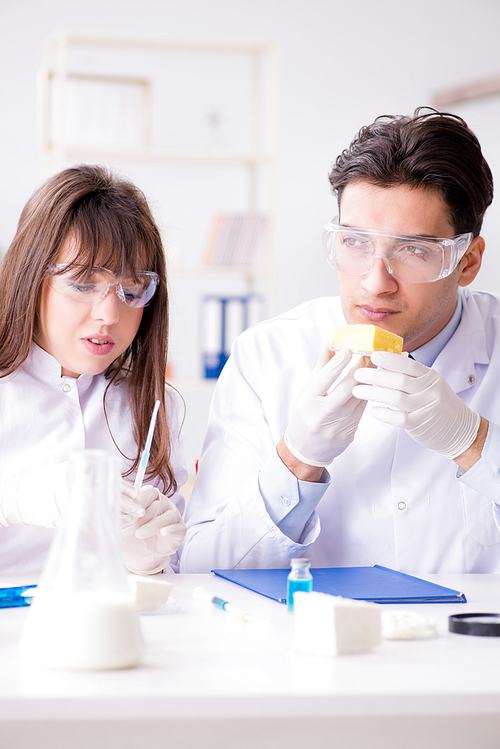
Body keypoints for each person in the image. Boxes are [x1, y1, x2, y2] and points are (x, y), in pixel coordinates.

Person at [180, 107, 500, 575]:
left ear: (467, 261)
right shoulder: (268, 357)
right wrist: (297, 459)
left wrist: (474, 443)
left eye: (413, 250)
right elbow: (199, 569)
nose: (376, 282)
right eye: (354, 242)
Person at [0, 164, 187, 574]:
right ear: (30, 276)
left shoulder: (152, 408)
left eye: (132, 290)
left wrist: (147, 565)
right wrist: (19, 499)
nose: (108, 314)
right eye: (83, 284)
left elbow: (164, 591)